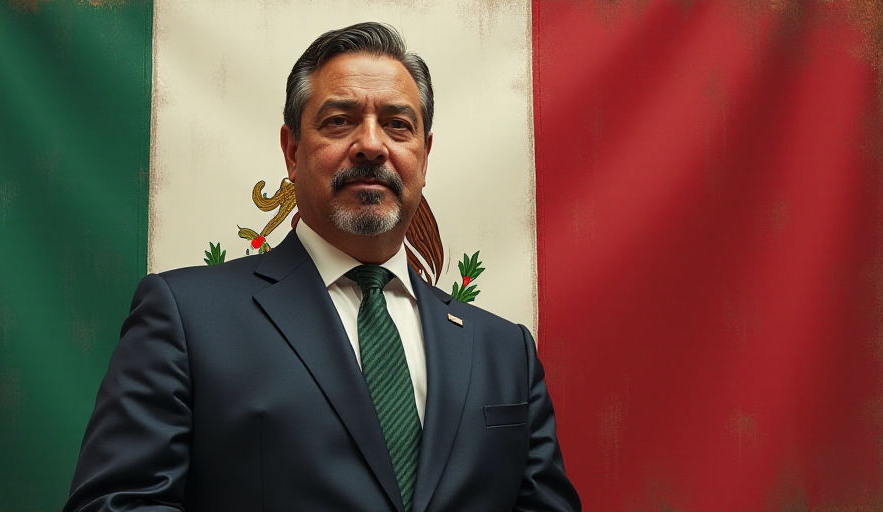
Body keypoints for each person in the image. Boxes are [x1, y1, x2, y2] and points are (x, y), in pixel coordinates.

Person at [64, 22, 581, 512]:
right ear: (291, 152)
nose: (372, 145)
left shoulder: (505, 352)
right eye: (340, 121)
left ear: (424, 158)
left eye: (398, 125)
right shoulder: (185, 318)